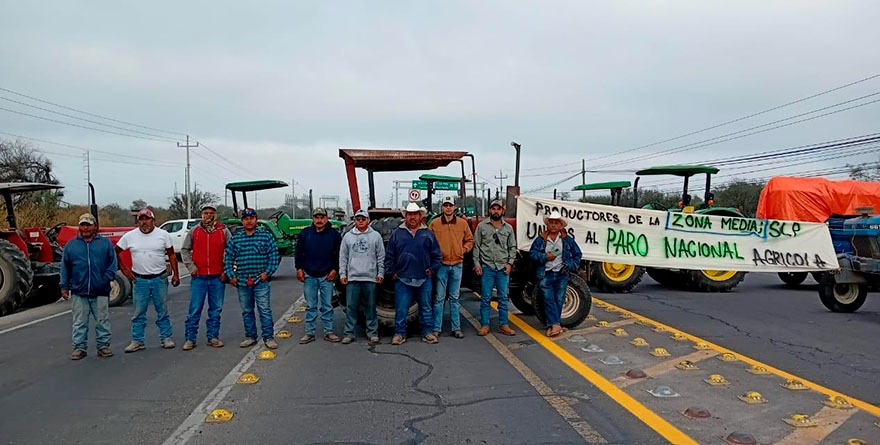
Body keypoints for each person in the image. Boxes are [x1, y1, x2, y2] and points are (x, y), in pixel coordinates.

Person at [117, 208, 181, 353]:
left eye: (147, 219)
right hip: (140, 280)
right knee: (139, 312)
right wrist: (124, 269)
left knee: (162, 310)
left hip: (159, 278)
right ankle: (137, 341)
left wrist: (175, 274)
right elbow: (116, 252)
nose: (144, 222)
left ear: (153, 220)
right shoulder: (130, 236)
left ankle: (166, 338)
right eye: (141, 219)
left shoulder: (163, 235)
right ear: (138, 221)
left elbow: (171, 255)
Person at [60, 213, 118, 360]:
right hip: (79, 291)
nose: (85, 228)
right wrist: (64, 286)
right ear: (79, 226)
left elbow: (112, 265)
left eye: (88, 225)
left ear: (95, 226)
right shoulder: (71, 246)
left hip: (100, 291)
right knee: (79, 322)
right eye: (82, 225)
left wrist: (104, 280)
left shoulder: (105, 244)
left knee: (102, 320)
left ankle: (103, 346)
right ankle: (79, 347)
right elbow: (65, 267)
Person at [385, 202, 442, 345]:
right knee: (401, 308)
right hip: (403, 279)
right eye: (410, 214)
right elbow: (389, 256)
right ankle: (399, 334)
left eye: (415, 214)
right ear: (406, 216)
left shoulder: (428, 234)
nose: (412, 217)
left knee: (426, 307)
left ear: (420, 216)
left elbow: (437, 256)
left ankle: (427, 332)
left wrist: (432, 269)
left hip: (424, 278)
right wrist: (392, 272)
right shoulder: (397, 234)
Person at [224, 208, 281, 349]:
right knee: (247, 311)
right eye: (246, 219)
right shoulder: (236, 238)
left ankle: (268, 337)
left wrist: (267, 273)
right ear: (242, 221)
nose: (249, 221)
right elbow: (228, 258)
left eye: (252, 218)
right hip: (242, 281)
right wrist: (231, 276)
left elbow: (273, 256)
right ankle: (250, 336)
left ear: (256, 219)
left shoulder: (265, 236)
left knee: (264, 309)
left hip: (260, 281)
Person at [180, 204, 232, 351]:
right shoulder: (194, 231)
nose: (208, 215)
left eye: (211, 213)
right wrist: (191, 267)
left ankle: (213, 337)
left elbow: (231, 250)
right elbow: (184, 250)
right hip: (199, 277)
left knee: (216, 309)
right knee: (195, 309)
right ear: (201, 215)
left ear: (215, 215)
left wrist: (226, 270)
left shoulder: (223, 231)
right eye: (205, 213)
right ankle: (190, 338)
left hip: (217, 277)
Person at [529, 210, 582, 337]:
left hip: (561, 273)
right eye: (551, 222)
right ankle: (556, 325)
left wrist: (570, 265)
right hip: (546, 273)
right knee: (548, 299)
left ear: (560, 226)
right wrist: (544, 257)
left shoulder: (567, 240)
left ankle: (553, 325)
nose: (553, 225)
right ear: (547, 224)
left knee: (558, 299)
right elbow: (532, 253)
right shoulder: (541, 239)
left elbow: (577, 254)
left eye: (555, 223)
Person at [428, 195, 474, 339]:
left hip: (457, 265)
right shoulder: (434, 224)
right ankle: (436, 328)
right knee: (439, 298)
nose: (448, 208)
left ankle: (456, 328)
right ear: (442, 207)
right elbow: (429, 242)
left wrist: (464, 249)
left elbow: (470, 240)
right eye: (445, 205)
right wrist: (435, 256)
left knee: (455, 297)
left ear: (454, 207)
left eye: (450, 205)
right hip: (441, 265)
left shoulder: (462, 223)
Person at [295, 207, 342, 344]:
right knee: (310, 305)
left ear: (326, 219)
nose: (319, 220)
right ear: (313, 219)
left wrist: (335, 269)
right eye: (317, 217)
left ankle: (329, 331)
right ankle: (309, 332)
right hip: (309, 275)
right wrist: (299, 269)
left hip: (327, 275)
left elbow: (338, 254)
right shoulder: (305, 233)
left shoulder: (334, 235)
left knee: (327, 305)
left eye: (322, 217)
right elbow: (298, 252)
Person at [338, 209, 385, 345]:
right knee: (351, 307)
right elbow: (343, 257)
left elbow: (381, 256)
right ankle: (349, 333)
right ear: (355, 221)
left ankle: (372, 333)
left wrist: (380, 273)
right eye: (358, 219)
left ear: (368, 220)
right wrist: (343, 274)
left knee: (370, 307)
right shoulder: (348, 236)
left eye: (363, 219)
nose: (360, 221)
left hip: (370, 278)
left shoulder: (375, 236)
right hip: (353, 278)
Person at [472, 199, 517, 336]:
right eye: (493, 208)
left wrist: (509, 264)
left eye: (498, 209)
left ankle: (504, 325)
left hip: (503, 267)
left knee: (503, 298)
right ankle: (485, 325)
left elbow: (512, 247)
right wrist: (477, 264)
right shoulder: (482, 226)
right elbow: (477, 246)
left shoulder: (508, 228)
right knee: (486, 297)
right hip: (487, 267)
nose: (496, 211)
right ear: (490, 210)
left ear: (502, 211)